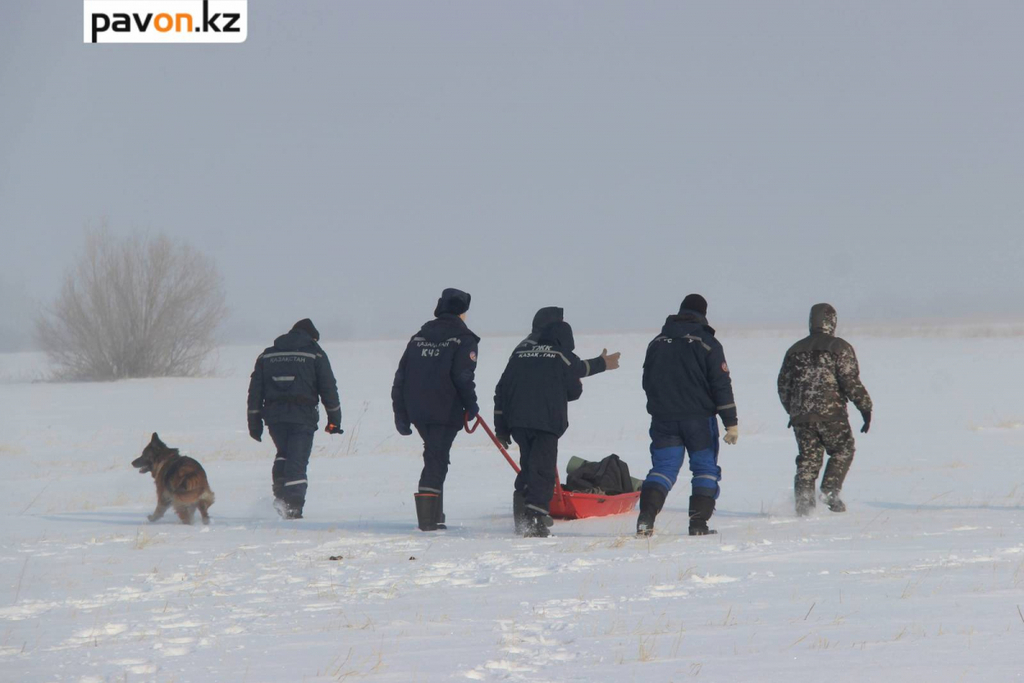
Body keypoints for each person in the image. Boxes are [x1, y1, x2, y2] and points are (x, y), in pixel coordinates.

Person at [494, 317, 621, 537]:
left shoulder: (519, 355)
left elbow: (502, 390)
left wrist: (501, 427)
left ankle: (522, 519)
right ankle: (535, 522)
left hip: (518, 422)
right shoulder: (561, 355)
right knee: (543, 469)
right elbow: (575, 388)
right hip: (545, 422)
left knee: (529, 466)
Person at [637, 294, 738, 537]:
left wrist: (660, 407)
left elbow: (647, 381)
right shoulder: (707, 342)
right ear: (703, 314)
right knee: (704, 469)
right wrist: (731, 423)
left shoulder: (657, 342)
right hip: (698, 421)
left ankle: (645, 520)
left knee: (663, 469)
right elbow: (720, 384)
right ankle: (698, 524)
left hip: (663, 420)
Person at [392, 288, 480, 531]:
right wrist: (472, 405)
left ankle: (435, 514)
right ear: (462, 312)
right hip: (445, 409)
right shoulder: (463, 338)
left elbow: (401, 377)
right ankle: (428, 521)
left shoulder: (419, 337)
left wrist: (401, 413)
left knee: (434, 454)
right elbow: (462, 376)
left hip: (417, 409)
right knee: (436, 458)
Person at [777, 303, 872, 516]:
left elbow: (783, 386)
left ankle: (804, 507)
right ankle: (829, 490)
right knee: (843, 449)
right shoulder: (839, 347)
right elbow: (850, 381)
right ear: (832, 321)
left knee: (808, 461)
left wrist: (792, 410)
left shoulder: (794, 350)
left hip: (801, 417)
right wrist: (866, 408)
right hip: (832, 415)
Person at [247, 318, 343, 520]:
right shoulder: (315, 353)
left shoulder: (268, 354)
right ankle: (293, 508)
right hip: (303, 416)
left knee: (283, 453)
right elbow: (328, 388)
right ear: (312, 336)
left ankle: (280, 500)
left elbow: (255, 391)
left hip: (274, 418)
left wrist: (254, 422)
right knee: (297, 461)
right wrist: (334, 419)